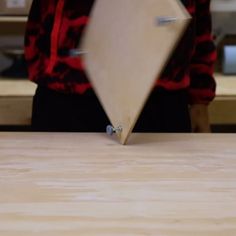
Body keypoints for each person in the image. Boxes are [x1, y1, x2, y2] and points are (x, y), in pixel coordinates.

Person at [24, 0, 216, 133]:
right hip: (68, 92)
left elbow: (199, 17)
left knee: (163, 189)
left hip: (160, 95)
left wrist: (199, 99)